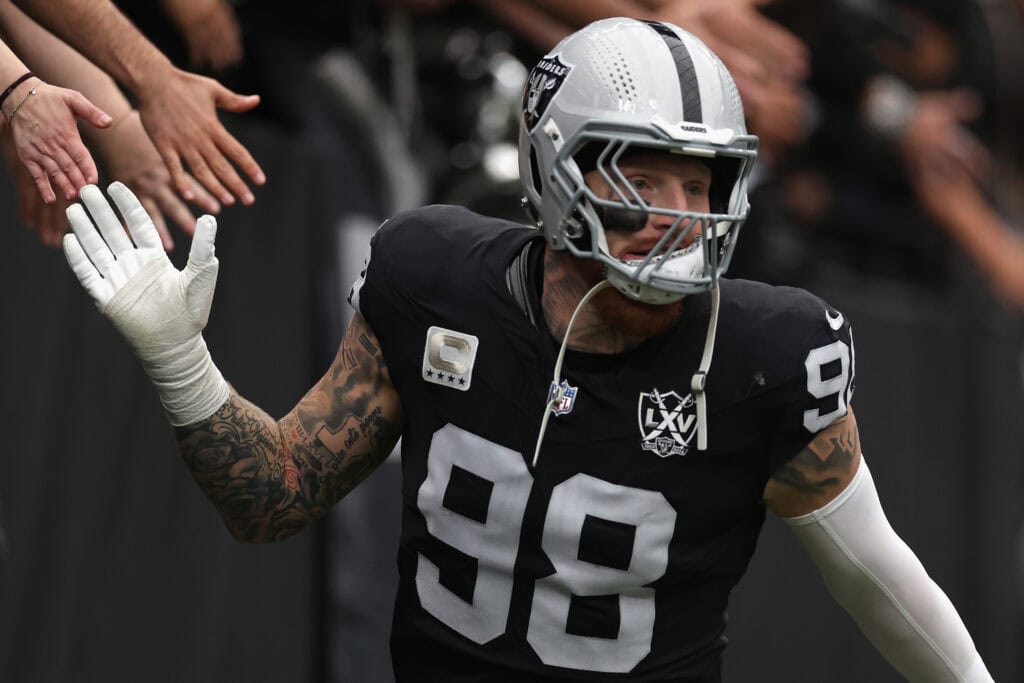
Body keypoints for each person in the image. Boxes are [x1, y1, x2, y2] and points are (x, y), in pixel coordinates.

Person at [61, 18, 992, 682]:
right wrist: (182, 365)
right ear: (556, 168)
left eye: (701, 182)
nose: (677, 215)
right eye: (639, 175)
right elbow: (271, 500)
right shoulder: (435, 280)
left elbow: (879, 578)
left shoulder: (765, 353)